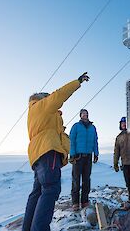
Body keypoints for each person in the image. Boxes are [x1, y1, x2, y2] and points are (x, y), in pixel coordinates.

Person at [22, 72, 90, 231]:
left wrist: (65, 148)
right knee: (51, 189)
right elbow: (59, 95)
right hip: (48, 151)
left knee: (37, 193)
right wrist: (77, 82)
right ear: (42, 98)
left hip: (38, 154)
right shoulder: (42, 105)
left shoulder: (35, 113)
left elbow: (59, 133)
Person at [69, 109, 99, 211]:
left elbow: (95, 141)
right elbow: (71, 140)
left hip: (88, 156)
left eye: (86, 114)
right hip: (78, 156)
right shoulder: (76, 126)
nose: (85, 116)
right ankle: (75, 202)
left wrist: (96, 153)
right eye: (83, 114)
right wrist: (72, 154)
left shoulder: (92, 127)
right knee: (76, 179)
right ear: (80, 116)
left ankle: (85, 201)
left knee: (86, 179)